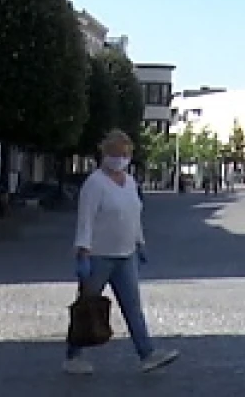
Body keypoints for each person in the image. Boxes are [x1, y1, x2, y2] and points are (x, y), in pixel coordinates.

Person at [66, 129, 178, 375]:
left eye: (125, 154)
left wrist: (140, 243)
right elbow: (85, 220)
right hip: (98, 256)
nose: (121, 158)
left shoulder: (130, 183)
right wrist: (82, 252)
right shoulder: (94, 183)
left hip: (126, 255)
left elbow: (134, 216)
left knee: (132, 307)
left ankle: (147, 353)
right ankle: (73, 355)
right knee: (87, 307)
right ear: (105, 154)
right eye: (116, 153)